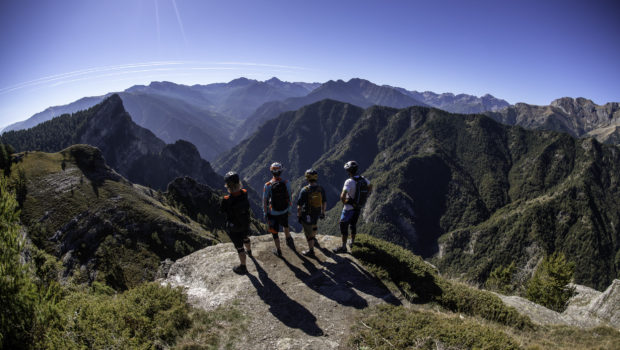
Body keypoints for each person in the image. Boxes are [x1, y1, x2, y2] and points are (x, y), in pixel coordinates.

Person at [333, 160, 372, 253]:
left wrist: (345, 202)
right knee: (353, 224)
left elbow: (342, 196)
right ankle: (352, 242)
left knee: (343, 225)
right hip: (358, 207)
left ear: (348, 171)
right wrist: (367, 195)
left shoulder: (349, 181)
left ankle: (343, 247)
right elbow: (370, 186)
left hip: (348, 208)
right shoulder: (364, 179)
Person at [220, 171, 252, 274]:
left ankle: (243, 267)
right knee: (246, 237)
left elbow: (222, 211)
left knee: (239, 248)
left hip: (235, 228)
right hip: (245, 223)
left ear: (227, 185)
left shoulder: (226, 199)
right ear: (239, 182)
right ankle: (250, 252)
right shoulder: (244, 192)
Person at [263, 162, 294, 257]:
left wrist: (265, 213)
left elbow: (264, 201)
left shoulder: (267, 185)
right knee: (285, 225)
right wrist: (289, 210)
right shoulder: (286, 183)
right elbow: (289, 197)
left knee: (275, 232)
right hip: (284, 210)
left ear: (271, 171)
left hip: (273, 212)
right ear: (281, 171)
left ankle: (279, 250)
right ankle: (288, 238)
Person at [296, 169, 327, 257]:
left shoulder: (304, 190)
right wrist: (323, 212)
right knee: (314, 225)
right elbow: (324, 202)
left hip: (307, 214)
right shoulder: (321, 189)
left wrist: (299, 215)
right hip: (317, 212)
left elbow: (299, 206)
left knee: (308, 233)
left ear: (307, 178)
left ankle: (311, 251)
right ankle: (314, 239)